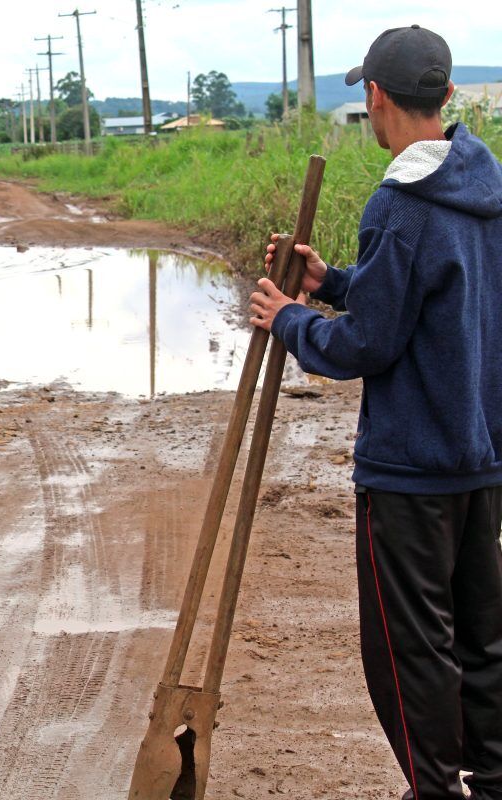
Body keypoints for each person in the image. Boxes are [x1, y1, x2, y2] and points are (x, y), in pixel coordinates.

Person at [248, 25, 502, 800]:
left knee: (408, 650)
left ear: (375, 97)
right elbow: (424, 299)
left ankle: (433, 789)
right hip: (479, 462)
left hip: (409, 473)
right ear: (449, 95)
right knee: (484, 642)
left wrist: (288, 317)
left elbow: (367, 346)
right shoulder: (485, 187)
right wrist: (330, 283)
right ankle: (489, 784)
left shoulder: (400, 201)